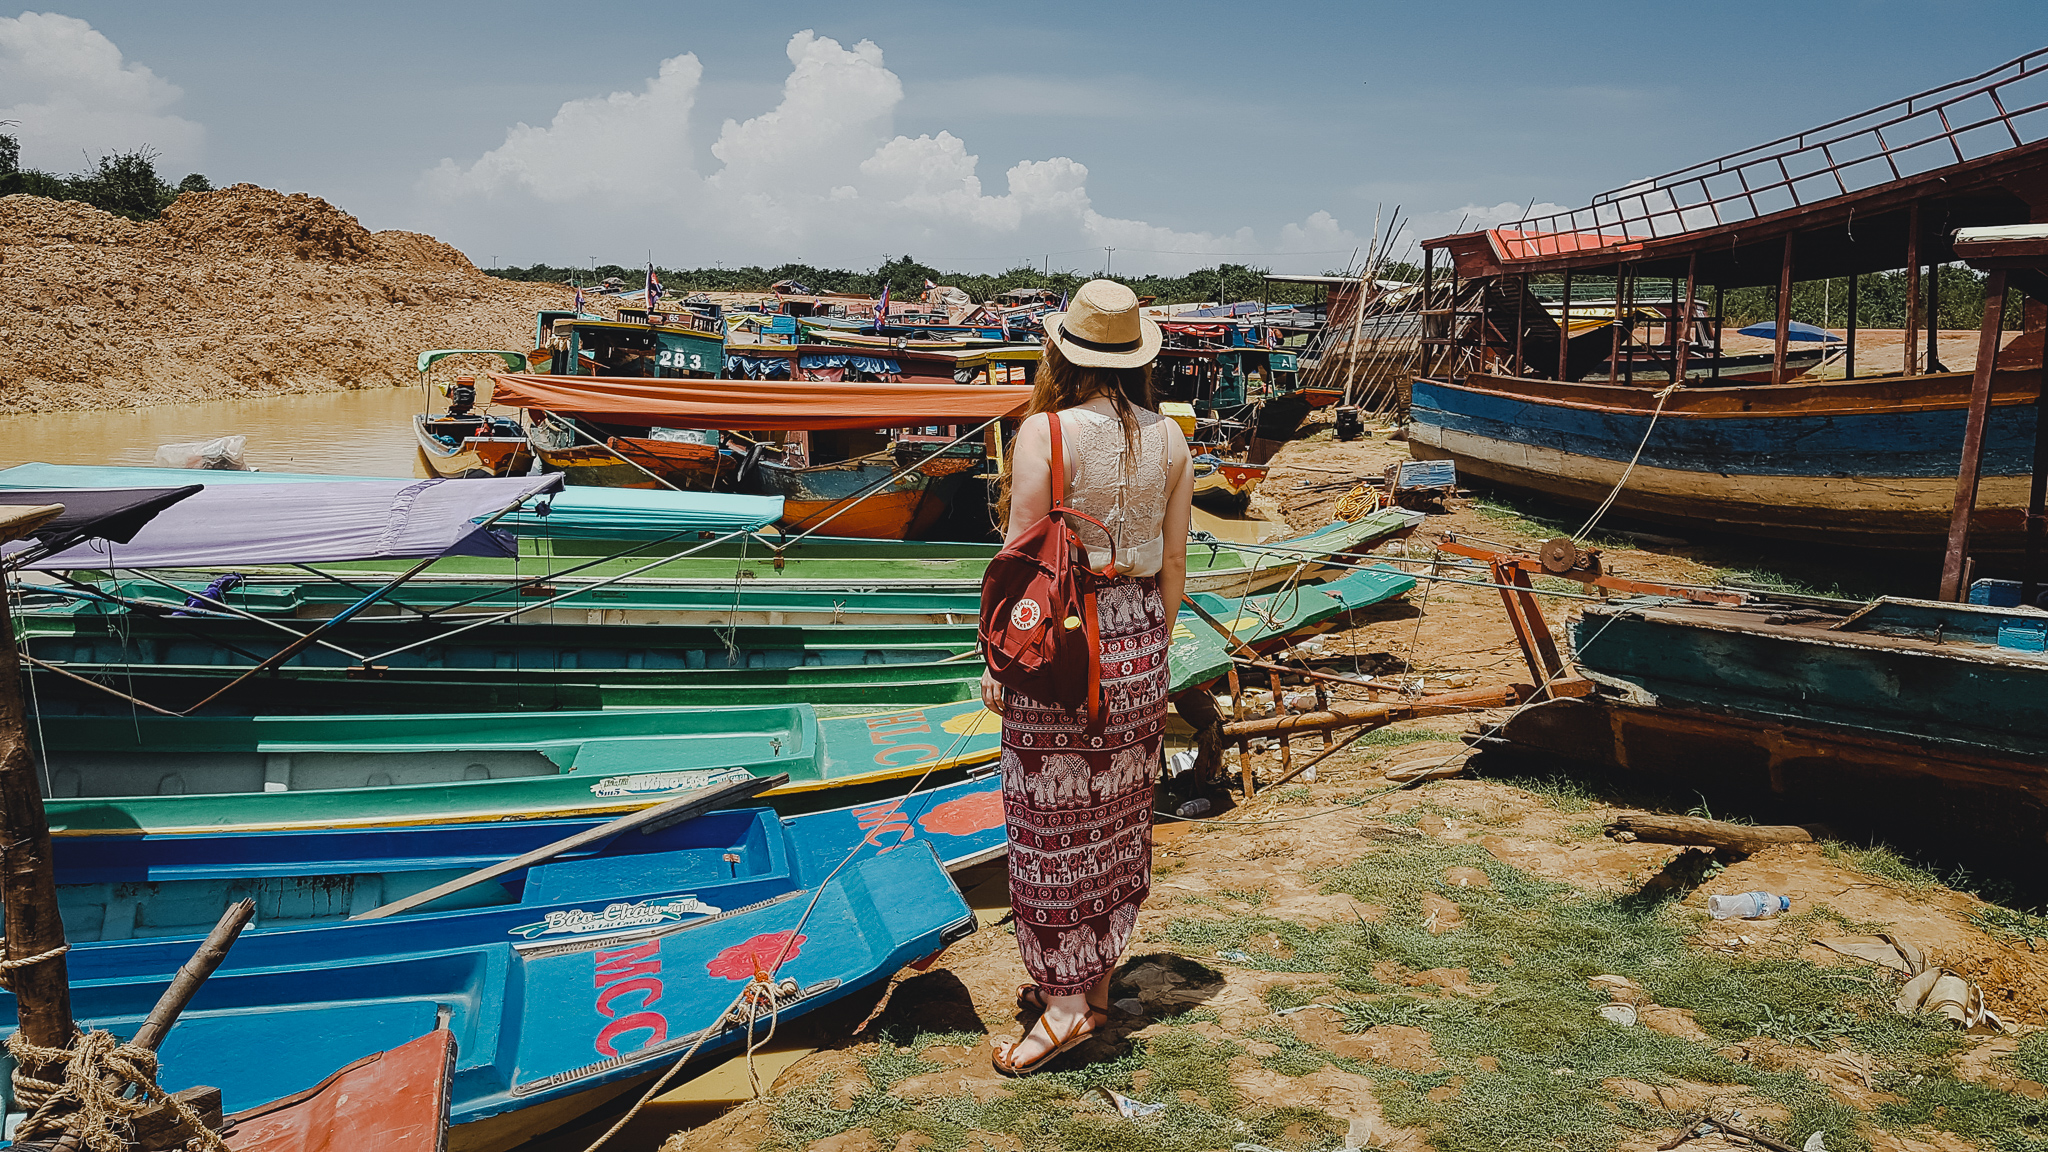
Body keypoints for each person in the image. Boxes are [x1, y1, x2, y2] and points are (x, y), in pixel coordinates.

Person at [981, 279, 1194, 1076]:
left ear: (1065, 350)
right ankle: (1093, 983)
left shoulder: (1046, 432)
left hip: (1063, 644)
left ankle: (1064, 1008)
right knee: (1112, 819)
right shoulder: (1172, 439)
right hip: (1139, 636)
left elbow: (1018, 561)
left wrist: (998, 660)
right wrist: (1150, 647)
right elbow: (1174, 562)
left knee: (1049, 819)